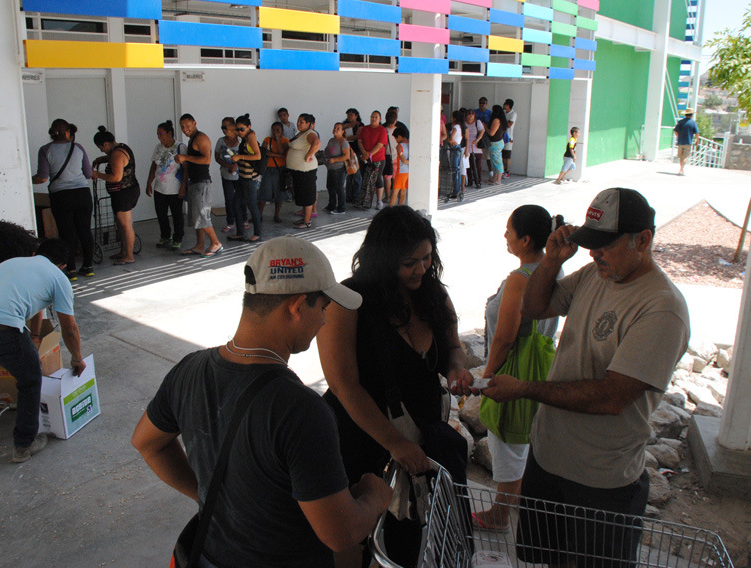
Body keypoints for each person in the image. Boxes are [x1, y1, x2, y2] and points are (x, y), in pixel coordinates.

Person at [131, 236, 392, 568]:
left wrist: (211, 496)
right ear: (298, 306)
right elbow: (340, 534)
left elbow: (147, 443)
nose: (324, 321)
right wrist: (374, 497)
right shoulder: (301, 410)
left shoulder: (189, 370)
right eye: (323, 308)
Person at [483, 188, 690, 567]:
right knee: (546, 559)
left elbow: (612, 397)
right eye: (591, 243)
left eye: (605, 245)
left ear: (643, 240)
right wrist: (551, 261)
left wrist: (524, 389)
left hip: (599, 479)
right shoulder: (595, 274)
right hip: (547, 460)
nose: (594, 253)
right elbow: (535, 307)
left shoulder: (661, 308)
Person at [317, 206, 474, 567]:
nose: (421, 269)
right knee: (355, 538)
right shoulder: (348, 300)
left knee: (409, 529)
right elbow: (344, 385)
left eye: (426, 258)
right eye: (409, 263)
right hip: (360, 438)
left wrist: (456, 370)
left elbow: (453, 348)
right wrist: (395, 443)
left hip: (418, 437)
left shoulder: (432, 293)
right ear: (384, 259)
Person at [0, 228, 85, 463]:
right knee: (30, 379)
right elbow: (69, 328)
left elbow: (31, 303)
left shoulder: (12, 264)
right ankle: (24, 444)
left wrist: (35, 336)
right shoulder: (58, 278)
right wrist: (77, 358)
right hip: (1, 328)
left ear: (36, 254)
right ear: (63, 265)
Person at [472, 205, 563, 531]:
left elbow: (504, 337)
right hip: (542, 364)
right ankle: (517, 504)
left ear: (525, 240)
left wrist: (487, 375)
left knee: (507, 438)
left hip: (515, 367)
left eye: (509, 231)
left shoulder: (520, 279)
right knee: (524, 438)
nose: (505, 236)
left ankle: (499, 514)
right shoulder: (554, 269)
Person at [33, 119, 95, 280]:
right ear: (68, 132)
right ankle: (88, 267)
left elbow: (42, 178)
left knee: (67, 233)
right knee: (85, 230)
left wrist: (26, 178)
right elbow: (88, 173)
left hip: (61, 196)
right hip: (82, 194)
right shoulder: (78, 147)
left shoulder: (45, 150)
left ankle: (71, 269)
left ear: (51, 133)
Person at [176, 114, 223, 257]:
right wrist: (186, 163)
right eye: (182, 127)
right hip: (194, 182)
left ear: (195, 123)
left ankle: (216, 243)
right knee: (196, 217)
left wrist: (186, 157)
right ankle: (199, 246)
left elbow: (206, 160)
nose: (185, 129)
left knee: (202, 216)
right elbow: (194, 161)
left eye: (187, 126)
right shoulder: (192, 140)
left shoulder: (201, 138)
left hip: (202, 183)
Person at [92, 126, 140, 266]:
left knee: (126, 225)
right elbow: (112, 159)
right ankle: (123, 251)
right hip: (125, 192)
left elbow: (116, 177)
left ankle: (129, 256)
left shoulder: (117, 154)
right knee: (121, 225)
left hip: (124, 193)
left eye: (101, 147)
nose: (101, 150)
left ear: (106, 144)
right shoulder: (121, 148)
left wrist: (97, 174)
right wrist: (101, 159)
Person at [146, 120, 186, 250]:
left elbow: (186, 168)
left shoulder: (180, 147)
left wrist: (183, 186)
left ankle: (178, 238)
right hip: (160, 188)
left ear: (169, 133)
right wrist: (149, 182)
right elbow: (154, 165)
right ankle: (165, 235)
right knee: (161, 214)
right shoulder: (158, 147)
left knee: (177, 214)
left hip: (175, 188)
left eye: (161, 134)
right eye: (158, 134)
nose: (159, 137)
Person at [227, 114, 263, 244]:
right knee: (236, 204)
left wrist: (240, 157)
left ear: (249, 127)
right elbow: (231, 129)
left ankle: (257, 234)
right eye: (238, 129)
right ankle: (240, 233)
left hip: (249, 178)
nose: (240, 132)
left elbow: (258, 156)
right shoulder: (245, 135)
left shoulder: (251, 137)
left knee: (252, 206)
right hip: (243, 177)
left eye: (242, 129)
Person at [286, 113, 321, 230]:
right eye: (298, 121)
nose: (298, 123)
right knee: (301, 194)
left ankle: (307, 221)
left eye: (302, 122)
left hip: (306, 170)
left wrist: (308, 155)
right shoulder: (301, 133)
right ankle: (305, 218)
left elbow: (317, 143)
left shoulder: (310, 133)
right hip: (298, 170)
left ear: (308, 123)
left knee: (307, 195)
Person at [214, 117, 248, 234]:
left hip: (240, 175)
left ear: (233, 126)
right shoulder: (221, 141)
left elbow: (247, 155)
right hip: (226, 175)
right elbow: (217, 157)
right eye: (222, 127)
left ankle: (244, 220)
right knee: (229, 199)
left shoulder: (241, 140)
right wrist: (228, 166)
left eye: (226, 127)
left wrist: (236, 166)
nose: (224, 130)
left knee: (242, 198)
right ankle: (230, 222)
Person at [356, 111, 388, 210]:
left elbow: (379, 145)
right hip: (365, 158)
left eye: (376, 117)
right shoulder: (365, 128)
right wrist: (364, 153)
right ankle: (363, 201)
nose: (373, 119)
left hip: (378, 159)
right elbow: (360, 141)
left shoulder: (382, 130)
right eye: (372, 117)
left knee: (377, 179)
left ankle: (379, 200)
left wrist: (369, 154)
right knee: (365, 178)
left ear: (380, 119)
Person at [258, 121, 289, 223]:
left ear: (282, 131)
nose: (275, 132)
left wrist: (278, 139)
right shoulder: (267, 139)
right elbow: (264, 152)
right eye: (274, 130)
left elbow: (282, 151)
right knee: (264, 192)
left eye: (278, 130)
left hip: (280, 170)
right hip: (268, 169)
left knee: (279, 193)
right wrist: (278, 155)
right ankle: (259, 215)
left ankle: (276, 215)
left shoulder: (285, 141)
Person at [324, 122, 350, 215]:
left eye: (338, 128)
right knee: (330, 187)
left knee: (339, 188)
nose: (335, 129)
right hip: (330, 168)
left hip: (339, 169)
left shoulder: (343, 142)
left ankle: (341, 208)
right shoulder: (331, 140)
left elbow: (346, 156)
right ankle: (332, 205)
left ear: (342, 131)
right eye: (335, 127)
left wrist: (335, 160)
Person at [343, 108, 364, 205]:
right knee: (349, 175)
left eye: (352, 114)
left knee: (357, 175)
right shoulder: (344, 124)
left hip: (356, 151)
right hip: (347, 151)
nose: (349, 116)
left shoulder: (360, 125)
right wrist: (344, 127)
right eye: (348, 115)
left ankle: (356, 196)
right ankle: (348, 196)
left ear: (356, 115)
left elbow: (358, 136)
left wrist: (346, 138)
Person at [674, 108, 699, 176]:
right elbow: (696, 133)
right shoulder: (693, 122)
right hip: (688, 142)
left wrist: (679, 137)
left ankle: (681, 169)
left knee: (681, 156)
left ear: (685, 114)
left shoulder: (680, 122)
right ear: (692, 115)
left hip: (680, 142)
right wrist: (697, 140)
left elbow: (676, 131)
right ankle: (681, 169)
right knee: (685, 157)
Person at [487, 105, 508, 186]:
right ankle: (495, 177)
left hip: (495, 143)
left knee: (497, 161)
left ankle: (498, 179)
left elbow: (491, 133)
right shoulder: (502, 120)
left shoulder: (496, 120)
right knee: (494, 161)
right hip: (498, 142)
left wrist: (485, 127)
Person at [465, 109, 485, 189]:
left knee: (477, 166)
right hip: (467, 148)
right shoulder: (464, 124)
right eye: (469, 113)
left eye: (472, 113)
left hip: (476, 148)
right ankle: (470, 181)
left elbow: (482, 131)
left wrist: (477, 140)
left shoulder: (477, 122)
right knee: (468, 166)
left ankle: (478, 182)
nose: (471, 115)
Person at [382, 109, 399, 204]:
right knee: (395, 176)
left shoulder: (384, 130)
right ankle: (394, 195)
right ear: (395, 120)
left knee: (387, 177)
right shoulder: (398, 130)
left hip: (387, 156)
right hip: (397, 156)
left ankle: (387, 196)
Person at [448, 110, 466, 200]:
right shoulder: (461, 126)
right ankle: (457, 190)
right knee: (457, 169)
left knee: (455, 170)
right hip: (458, 147)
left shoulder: (455, 127)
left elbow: (451, 138)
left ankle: (455, 191)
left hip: (455, 148)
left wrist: (450, 141)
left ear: (454, 118)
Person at [390, 127, 409, 207]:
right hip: (408, 171)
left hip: (401, 171)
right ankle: (400, 209)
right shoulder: (410, 143)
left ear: (400, 136)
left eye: (396, 138)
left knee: (395, 192)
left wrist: (409, 162)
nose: (395, 140)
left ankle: (390, 210)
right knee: (403, 192)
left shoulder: (399, 146)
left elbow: (403, 160)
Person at [503, 99, 516, 178]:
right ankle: (503, 170)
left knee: (507, 155)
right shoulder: (504, 113)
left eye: (505, 104)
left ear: (509, 105)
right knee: (503, 155)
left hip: (509, 137)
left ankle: (507, 171)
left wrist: (502, 120)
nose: (504, 105)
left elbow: (509, 124)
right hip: (502, 137)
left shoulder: (513, 114)